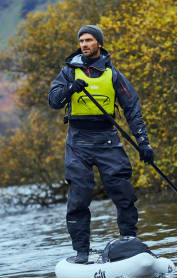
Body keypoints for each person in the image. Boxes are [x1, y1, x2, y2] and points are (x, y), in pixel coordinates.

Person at [48, 25, 155, 263]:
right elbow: (53, 101)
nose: (84, 44)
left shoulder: (113, 74)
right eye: (81, 41)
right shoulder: (68, 72)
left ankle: (129, 242)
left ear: (99, 44)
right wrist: (70, 89)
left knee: (123, 192)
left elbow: (133, 109)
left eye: (89, 40)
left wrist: (143, 144)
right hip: (78, 142)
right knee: (79, 196)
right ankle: (81, 253)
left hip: (108, 140)